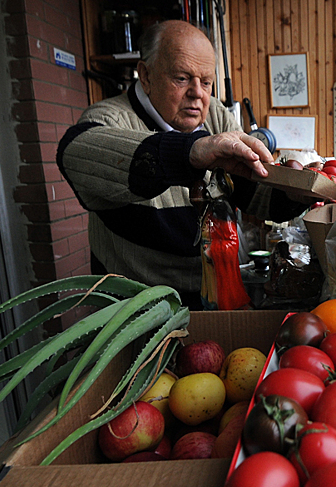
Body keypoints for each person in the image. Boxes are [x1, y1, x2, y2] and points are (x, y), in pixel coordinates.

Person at [57, 20, 309, 308]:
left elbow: (253, 191)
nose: (198, 93)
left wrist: (292, 193)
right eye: (181, 78)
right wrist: (188, 152)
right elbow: (73, 154)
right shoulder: (110, 117)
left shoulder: (214, 115)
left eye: (206, 81)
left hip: (213, 295)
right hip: (139, 311)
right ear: (146, 75)